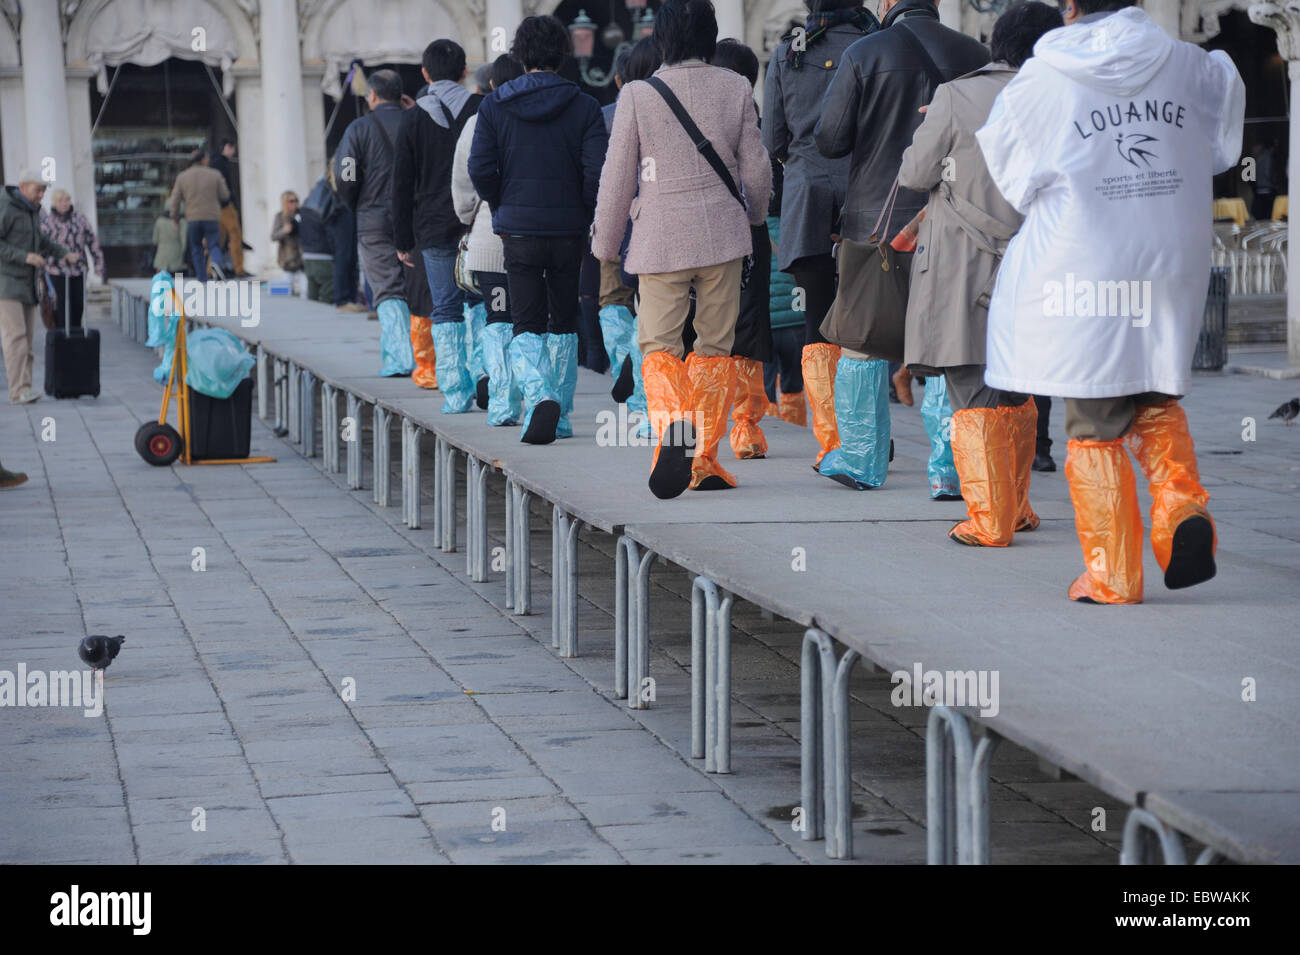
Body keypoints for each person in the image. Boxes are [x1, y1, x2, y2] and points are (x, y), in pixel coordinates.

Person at [975, 0, 1244, 602]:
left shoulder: (1042, 80)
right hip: (1171, 253)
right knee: (1152, 387)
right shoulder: (1189, 64)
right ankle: (1179, 513)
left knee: (1094, 414)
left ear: (1070, 8)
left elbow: (1014, 179)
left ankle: (1112, 571)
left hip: (1087, 263)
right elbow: (1224, 145)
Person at [898, 0, 1063, 539]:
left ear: (998, 41)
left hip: (965, 264)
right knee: (1019, 388)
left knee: (971, 386)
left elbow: (916, 173)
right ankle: (1015, 505)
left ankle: (990, 518)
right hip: (1039, 260)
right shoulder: (1062, 98)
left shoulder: (956, 95)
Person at [592, 0, 771, 497]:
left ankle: (675, 425)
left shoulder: (638, 95)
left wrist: (606, 242)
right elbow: (755, 168)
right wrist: (753, 215)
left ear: (662, 38)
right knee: (715, 349)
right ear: (710, 37)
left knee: (659, 346)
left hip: (660, 237)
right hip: (722, 236)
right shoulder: (735, 87)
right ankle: (703, 460)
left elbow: (617, 177)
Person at [813, 0, 989, 490]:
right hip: (955, 220)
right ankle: (951, 472)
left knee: (863, 341)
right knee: (951, 345)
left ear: (888, 3)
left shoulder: (864, 53)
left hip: (876, 223)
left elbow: (829, 139)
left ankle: (863, 460)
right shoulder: (975, 53)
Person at [470, 15, 608, 445]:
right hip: (569, 230)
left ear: (521, 54)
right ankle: (561, 416)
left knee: (525, 319)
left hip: (518, 231)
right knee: (563, 319)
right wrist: (583, 213)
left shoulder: (494, 105)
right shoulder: (584, 105)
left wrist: (501, 204)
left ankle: (540, 395)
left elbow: (480, 168)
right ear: (563, 53)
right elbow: (595, 171)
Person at [765, 1, 879, 470]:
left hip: (807, 195)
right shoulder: (871, 45)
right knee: (865, 324)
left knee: (815, 322)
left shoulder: (787, 51)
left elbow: (772, 138)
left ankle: (833, 440)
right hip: (863, 192)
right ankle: (869, 435)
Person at [393, 40, 484, 412]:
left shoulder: (413, 119)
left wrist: (402, 239)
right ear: (464, 71)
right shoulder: (483, 109)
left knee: (444, 308)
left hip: (432, 227)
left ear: (426, 74)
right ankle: (487, 380)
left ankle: (455, 393)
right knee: (482, 303)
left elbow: (401, 184)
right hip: (480, 224)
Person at [454, 54, 525, 425]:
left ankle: (503, 403)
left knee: (497, 318)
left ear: (492, 85)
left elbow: (464, 181)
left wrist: (470, 216)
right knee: (534, 321)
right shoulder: (537, 117)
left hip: (491, 235)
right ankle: (549, 402)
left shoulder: (477, 121)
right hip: (537, 235)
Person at [595, 37, 660, 438]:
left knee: (613, 303)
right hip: (660, 228)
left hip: (616, 226)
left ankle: (630, 376)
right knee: (657, 313)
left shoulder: (605, 116)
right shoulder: (677, 107)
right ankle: (645, 381)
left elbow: (598, 178)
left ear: (618, 79)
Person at [712, 37, 773, 461]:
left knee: (709, 326)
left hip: (707, 231)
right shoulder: (753, 116)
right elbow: (761, 178)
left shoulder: (700, 111)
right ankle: (745, 425)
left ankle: (702, 427)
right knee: (748, 323)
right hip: (748, 230)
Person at [334, 69, 415, 375]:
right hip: (416, 217)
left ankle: (399, 359)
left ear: (372, 96)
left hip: (373, 218)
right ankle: (427, 358)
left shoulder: (359, 128)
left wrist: (355, 201)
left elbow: (346, 174)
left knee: (387, 287)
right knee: (419, 286)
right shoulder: (416, 121)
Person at [0, 170, 74, 404]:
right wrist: (25, 257)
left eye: (44, 190)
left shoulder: (33, 211)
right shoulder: (6, 206)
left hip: (28, 284)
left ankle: (26, 387)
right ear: (23, 187)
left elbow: (41, 241)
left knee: (28, 340)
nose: (42, 194)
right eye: (38, 189)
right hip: (6, 283)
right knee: (16, 338)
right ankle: (18, 390)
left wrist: (64, 253)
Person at [41, 189, 104, 331]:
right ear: (55, 203)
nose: (64, 203)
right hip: (56, 271)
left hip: (78, 270)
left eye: (67, 200)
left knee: (78, 306)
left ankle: (75, 336)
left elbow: (92, 241)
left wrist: (98, 264)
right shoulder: (48, 221)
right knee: (62, 306)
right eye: (61, 200)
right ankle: (62, 335)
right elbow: (41, 245)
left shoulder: (80, 219)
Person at [169, 148, 230, 280]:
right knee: (214, 244)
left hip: (193, 218)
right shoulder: (215, 174)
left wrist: (175, 217)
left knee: (196, 247)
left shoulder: (182, 177)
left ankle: (202, 277)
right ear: (203, 160)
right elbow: (225, 195)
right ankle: (216, 263)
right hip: (211, 217)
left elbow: (174, 200)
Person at [210, 138, 247, 276]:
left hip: (214, 207)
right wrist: (229, 199)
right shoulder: (220, 164)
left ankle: (210, 269)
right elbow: (224, 188)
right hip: (224, 206)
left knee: (217, 238)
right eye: (231, 148)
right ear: (225, 148)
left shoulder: (214, 162)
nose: (233, 151)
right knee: (235, 234)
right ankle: (239, 269)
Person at [299, 177, 336, 303]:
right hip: (323, 256)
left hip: (308, 256)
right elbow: (331, 234)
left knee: (312, 295)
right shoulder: (326, 208)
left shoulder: (304, 209)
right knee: (328, 293)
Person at [271, 191, 305, 294]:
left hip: (302, 259)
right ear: (285, 202)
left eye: (296, 200)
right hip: (288, 260)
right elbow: (273, 236)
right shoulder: (280, 217)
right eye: (291, 201)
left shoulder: (302, 214)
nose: (294, 203)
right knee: (287, 292)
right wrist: (284, 231)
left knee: (305, 290)